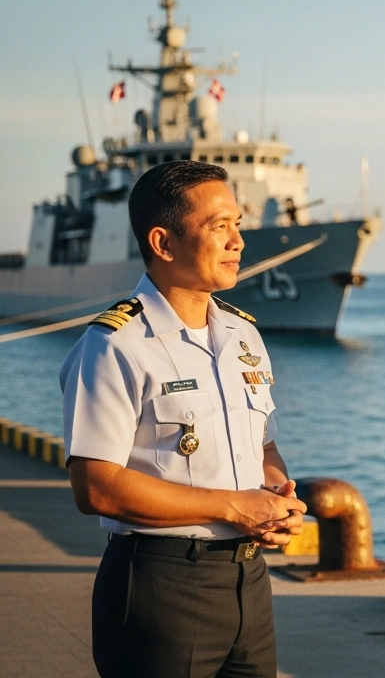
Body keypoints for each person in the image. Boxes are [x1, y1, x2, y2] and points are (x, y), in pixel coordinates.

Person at [62, 160, 307, 678]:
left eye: (237, 224)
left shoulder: (244, 337)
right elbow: (96, 489)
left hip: (249, 584)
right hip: (162, 585)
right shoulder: (115, 345)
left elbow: (262, 448)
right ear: (163, 242)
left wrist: (278, 499)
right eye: (219, 227)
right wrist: (235, 508)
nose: (238, 241)